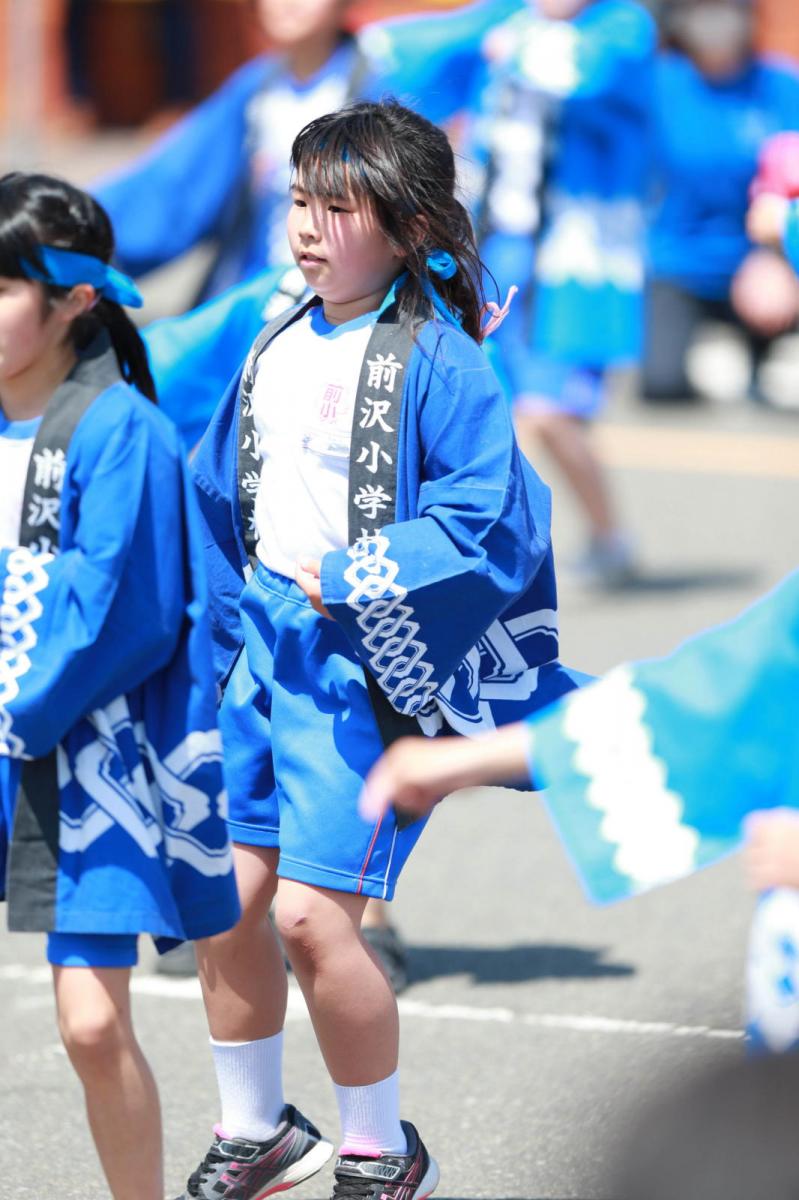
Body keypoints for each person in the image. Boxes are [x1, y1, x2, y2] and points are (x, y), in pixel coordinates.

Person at [181, 98, 585, 1200]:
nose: (308, 228)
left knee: (314, 918)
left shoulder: (440, 361)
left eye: (338, 208)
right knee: (225, 901)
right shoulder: (275, 337)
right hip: (259, 652)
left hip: (357, 666)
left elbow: (486, 519)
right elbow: (221, 495)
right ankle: (255, 1128)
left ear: (408, 228)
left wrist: (361, 572)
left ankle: (378, 1146)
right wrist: (206, 641)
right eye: (299, 202)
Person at [0, 174, 240, 1200]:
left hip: (78, 751)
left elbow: (123, 617)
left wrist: (19, 715)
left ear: (76, 301)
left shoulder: (119, 429)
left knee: (94, 1024)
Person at [93, 0, 509, 305]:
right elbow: (173, 186)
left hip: (371, 301)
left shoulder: (391, 67)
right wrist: (79, 226)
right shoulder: (256, 90)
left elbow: (497, 25)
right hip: (270, 292)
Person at [461, 0, 656, 586]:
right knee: (486, 397)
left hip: (580, 253)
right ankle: (484, 549)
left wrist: (513, 42)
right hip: (500, 245)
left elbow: (583, 73)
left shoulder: (621, 26)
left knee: (550, 410)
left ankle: (610, 537)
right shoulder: (512, 22)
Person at [643, 0, 799, 405]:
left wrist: (778, 257)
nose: (716, 22)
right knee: (662, 387)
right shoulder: (659, 84)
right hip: (680, 261)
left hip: (767, 262)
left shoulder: (781, 85)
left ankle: (766, 360)